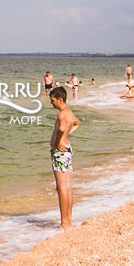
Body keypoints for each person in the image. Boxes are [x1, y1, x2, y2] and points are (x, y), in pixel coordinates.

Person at [49, 86, 81, 230]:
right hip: (67, 149)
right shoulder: (70, 113)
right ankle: (68, 221)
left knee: (61, 188)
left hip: (60, 152)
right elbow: (77, 123)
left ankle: (64, 223)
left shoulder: (62, 114)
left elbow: (61, 128)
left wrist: (57, 143)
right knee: (67, 187)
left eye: (53, 100)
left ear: (60, 100)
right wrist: (67, 136)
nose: (51, 103)